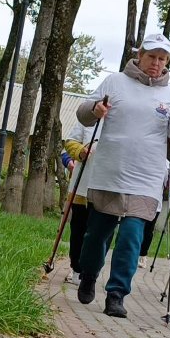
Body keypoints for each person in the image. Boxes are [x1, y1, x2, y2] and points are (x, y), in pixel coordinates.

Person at [76, 33, 170, 318]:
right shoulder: (114, 82)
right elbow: (83, 115)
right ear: (140, 55)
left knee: (131, 237)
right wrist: (95, 109)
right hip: (110, 172)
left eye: (162, 59)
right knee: (96, 235)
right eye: (152, 56)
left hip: (146, 177)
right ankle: (88, 274)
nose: (156, 63)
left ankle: (116, 294)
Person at [62, 121, 101, 286]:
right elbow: (69, 143)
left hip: (107, 186)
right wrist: (80, 151)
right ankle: (76, 267)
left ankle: (91, 270)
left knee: (98, 233)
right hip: (82, 185)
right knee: (78, 229)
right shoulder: (88, 118)